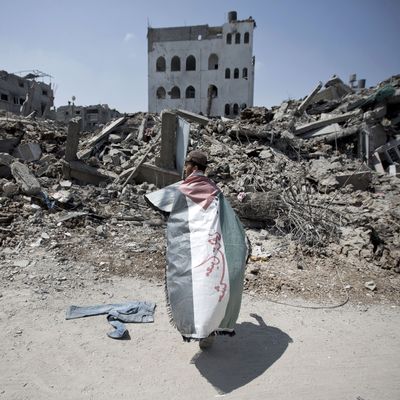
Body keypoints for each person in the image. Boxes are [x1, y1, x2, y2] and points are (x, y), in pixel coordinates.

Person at [146, 150, 249, 350]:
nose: (185, 169)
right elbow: (227, 220)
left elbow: (161, 203)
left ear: (193, 167)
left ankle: (202, 328)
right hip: (212, 245)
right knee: (209, 285)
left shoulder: (183, 188)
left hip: (192, 247)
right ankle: (208, 329)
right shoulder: (215, 190)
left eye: (186, 165)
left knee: (192, 286)